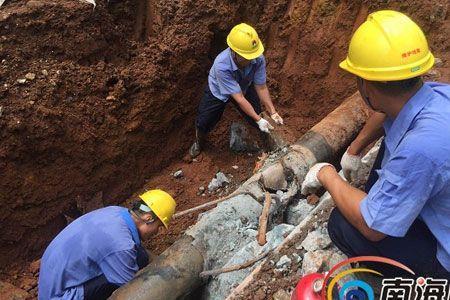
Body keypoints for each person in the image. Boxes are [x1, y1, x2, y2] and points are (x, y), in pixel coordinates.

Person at [301, 10, 450, 278]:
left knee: (342, 224)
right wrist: (354, 149)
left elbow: (372, 226)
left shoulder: (421, 147)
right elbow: (387, 114)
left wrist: (326, 173)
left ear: (366, 86)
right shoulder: (438, 95)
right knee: (390, 143)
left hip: (445, 259)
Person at [38, 189, 176, 299]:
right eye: (159, 226)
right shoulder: (122, 245)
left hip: (54, 280)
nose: (158, 232)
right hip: (62, 296)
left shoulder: (115, 211)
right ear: (148, 218)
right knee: (134, 284)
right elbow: (133, 289)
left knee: (140, 257)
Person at [189, 23, 284, 158]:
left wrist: (273, 112)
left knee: (256, 114)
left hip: (244, 84)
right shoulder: (221, 65)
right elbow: (238, 98)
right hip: (219, 91)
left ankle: (267, 142)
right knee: (205, 120)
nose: (252, 59)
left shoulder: (257, 57)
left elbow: (261, 87)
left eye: (253, 55)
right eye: (247, 56)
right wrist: (258, 119)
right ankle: (199, 142)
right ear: (234, 52)